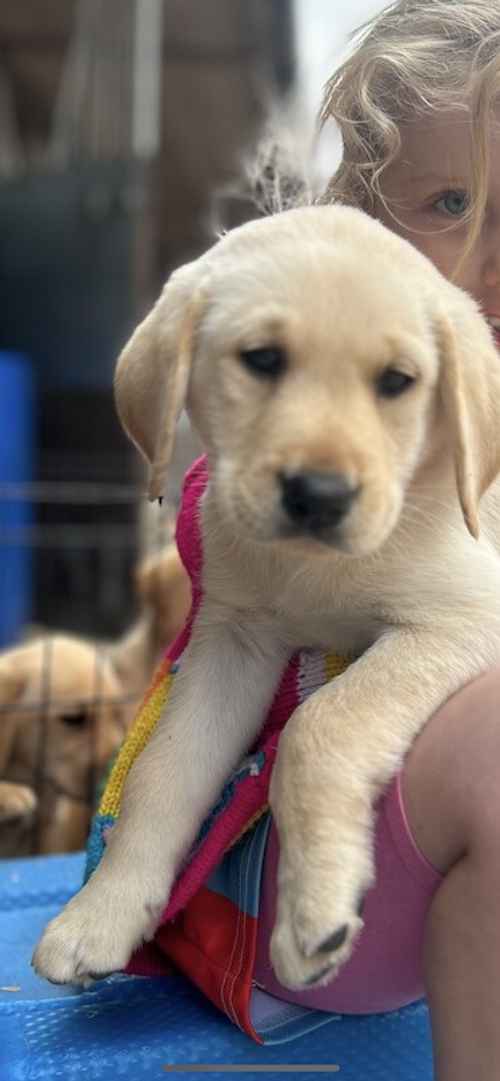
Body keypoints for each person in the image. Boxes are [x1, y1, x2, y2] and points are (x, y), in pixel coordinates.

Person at [251, 4, 500, 1080]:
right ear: (358, 213)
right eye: (453, 203)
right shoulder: (310, 404)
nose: (494, 254)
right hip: (294, 871)